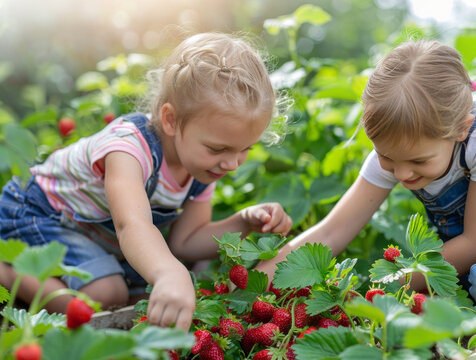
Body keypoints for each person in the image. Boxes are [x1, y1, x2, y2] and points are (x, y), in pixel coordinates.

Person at [0, 32, 292, 330]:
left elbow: (185, 242)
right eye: (218, 149)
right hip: (40, 213)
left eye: (245, 149)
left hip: (95, 233)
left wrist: (244, 221)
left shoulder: (202, 166)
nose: (232, 163)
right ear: (170, 120)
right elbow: (132, 225)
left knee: (145, 297)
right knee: (106, 294)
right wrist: (168, 274)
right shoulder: (128, 149)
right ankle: (6, 272)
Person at [257, 39, 476, 319]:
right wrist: (255, 282)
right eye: (386, 158)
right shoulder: (399, 147)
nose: (402, 173)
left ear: (461, 130)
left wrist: (384, 288)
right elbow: (332, 231)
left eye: (419, 161)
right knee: (455, 288)